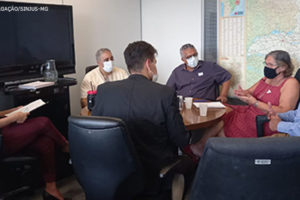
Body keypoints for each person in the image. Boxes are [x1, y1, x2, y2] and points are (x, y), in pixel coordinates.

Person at [92, 41, 198, 197]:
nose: (155, 67)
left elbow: (97, 130)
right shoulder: (164, 93)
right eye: (155, 62)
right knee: (192, 164)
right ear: (148, 64)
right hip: (154, 169)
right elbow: (180, 138)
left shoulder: (104, 91)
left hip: (114, 169)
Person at [192, 50, 300, 156]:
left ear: (283, 67)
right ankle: (204, 148)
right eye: (266, 64)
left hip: (264, 119)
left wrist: (255, 103)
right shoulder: (267, 78)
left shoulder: (291, 83)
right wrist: (242, 93)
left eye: (270, 65)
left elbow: (285, 110)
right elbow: (249, 91)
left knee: (223, 121)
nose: (267, 67)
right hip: (249, 111)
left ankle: (205, 149)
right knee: (220, 109)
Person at [0, 107, 70, 200]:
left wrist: (13, 111)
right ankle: (67, 147)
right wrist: (13, 117)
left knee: (45, 143)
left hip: (4, 130)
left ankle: (51, 189)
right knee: (43, 122)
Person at [166, 43, 231, 102]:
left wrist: (223, 95)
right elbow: (168, 90)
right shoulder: (177, 72)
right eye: (189, 57)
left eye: (195, 55)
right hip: (184, 104)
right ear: (183, 59)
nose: (193, 58)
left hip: (205, 104)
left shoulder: (210, 67)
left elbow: (226, 77)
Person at [80, 48, 128, 115]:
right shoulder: (89, 77)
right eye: (106, 60)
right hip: (99, 113)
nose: (110, 62)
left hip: (118, 110)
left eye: (111, 58)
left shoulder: (121, 73)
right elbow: (84, 101)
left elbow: (128, 94)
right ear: (98, 62)